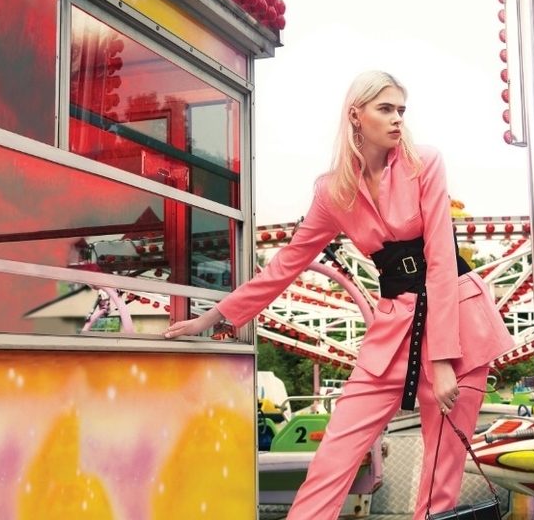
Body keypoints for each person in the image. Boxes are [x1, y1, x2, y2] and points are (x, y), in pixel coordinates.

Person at [165, 70, 513, 519]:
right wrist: (215, 317)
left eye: (401, 110)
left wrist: (444, 358)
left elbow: (442, 260)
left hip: (458, 327)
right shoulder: (333, 191)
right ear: (355, 115)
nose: (398, 120)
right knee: (332, 458)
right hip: (393, 330)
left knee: (437, 483)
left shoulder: (424, 163)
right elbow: (287, 263)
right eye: (385, 109)